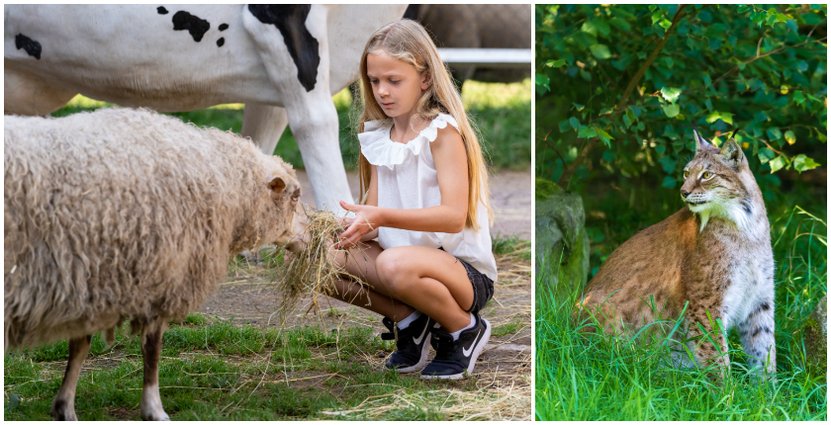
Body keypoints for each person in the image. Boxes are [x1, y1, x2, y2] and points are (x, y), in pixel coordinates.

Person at [328, 19, 497, 380]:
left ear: (424, 78)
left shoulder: (442, 132)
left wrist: (383, 216)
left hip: (460, 274)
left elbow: (452, 217)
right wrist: (355, 228)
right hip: (402, 264)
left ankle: (463, 329)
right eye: (374, 81)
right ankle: (411, 321)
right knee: (321, 259)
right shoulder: (378, 137)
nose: (382, 92)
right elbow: (376, 219)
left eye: (394, 80)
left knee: (393, 264)